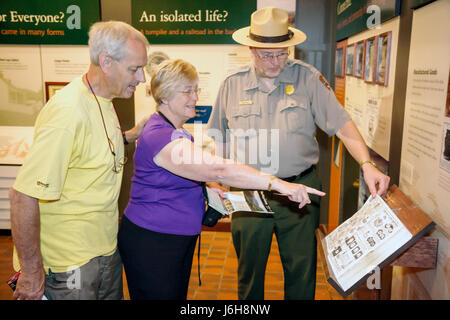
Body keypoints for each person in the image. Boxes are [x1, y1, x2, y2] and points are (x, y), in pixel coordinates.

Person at [207, 7, 391, 300]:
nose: (275, 61)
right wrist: (216, 181)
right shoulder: (232, 85)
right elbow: (220, 135)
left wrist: (367, 164)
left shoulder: (307, 79)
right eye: (266, 54)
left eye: (281, 53)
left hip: (299, 192)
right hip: (248, 193)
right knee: (249, 274)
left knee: (301, 272)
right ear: (251, 49)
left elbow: (342, 125)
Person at [117, 59, 325, 300]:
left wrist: (208, 186)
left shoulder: (174, 129)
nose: (195, 97)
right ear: (164, 96)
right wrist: (278, 184)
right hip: (154, 241)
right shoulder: (160, 136)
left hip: (173, 238)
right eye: (187, 91)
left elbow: (188, 173)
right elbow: (218, 169)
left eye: (196, 90)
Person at [8, 20, 149, 300]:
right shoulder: (67, 112)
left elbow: (92, 149)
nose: (142, 78)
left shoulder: (104, 100)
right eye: (135, 69)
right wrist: (32, 273)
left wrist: (133, 134)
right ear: (106, 61)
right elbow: (22, 196)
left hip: (105, 249)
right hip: (70, 263)